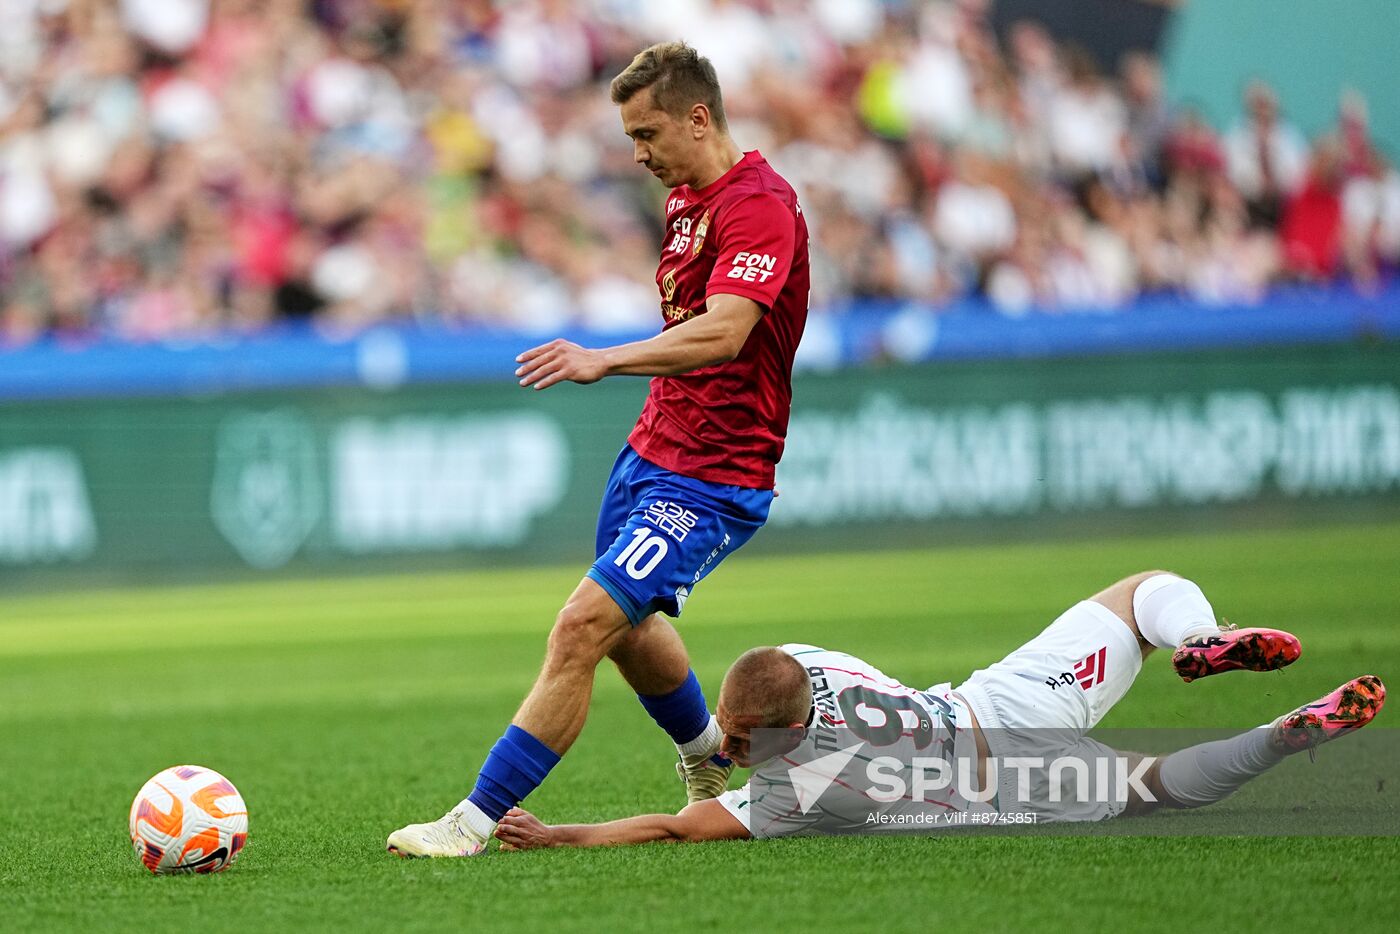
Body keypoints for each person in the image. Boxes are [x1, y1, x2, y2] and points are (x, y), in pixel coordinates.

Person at [387, 41, 810, 858]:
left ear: (699, 116)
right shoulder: (688, 198)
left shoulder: (758, 204)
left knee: (582, 625)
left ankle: (472, 824)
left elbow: (726, 332)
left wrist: (604, 358)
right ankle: (704, 756)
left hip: (715, 476)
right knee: (625, 622)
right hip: (653, 452)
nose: (639, 155)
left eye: (648, 135)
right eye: (630, 139)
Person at [489, 571, 1386, 847]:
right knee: (1150, 590)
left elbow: (677, 828)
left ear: (784, 733)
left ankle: (1278, 737)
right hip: (1005, 701)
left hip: (1017, 780)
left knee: (1161, 789)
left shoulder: (811, 788)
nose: (727, 739)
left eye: (737, 734)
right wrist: (744, 734)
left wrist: (560, 834)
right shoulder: (809, 663)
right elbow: (766, 691)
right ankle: (1197, 638)